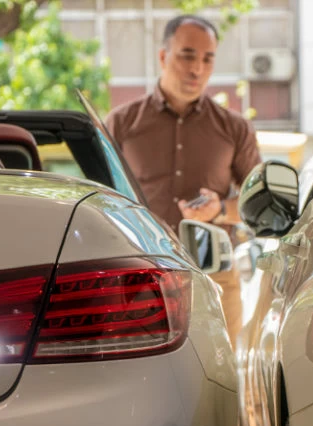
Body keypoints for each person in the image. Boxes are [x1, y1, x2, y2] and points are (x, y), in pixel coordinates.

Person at [104, 14, 262, 348]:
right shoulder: (121, 124)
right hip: (138, 280)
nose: (197, 69)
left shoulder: (234, 128)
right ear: (163, 56)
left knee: (221, 374)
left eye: (207, 59)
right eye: (187, 55)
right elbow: (99, 201)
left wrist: (219, 210)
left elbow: (259, 207)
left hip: (214, 280)